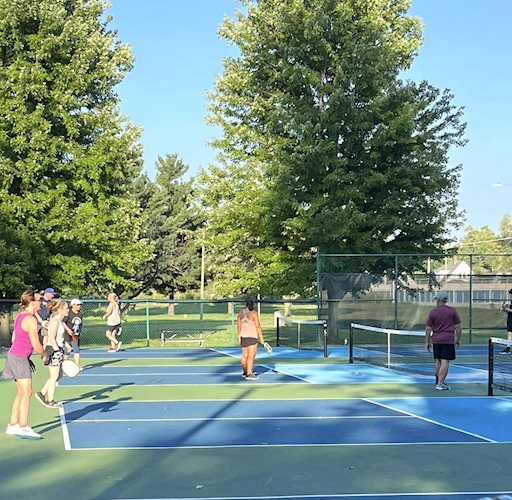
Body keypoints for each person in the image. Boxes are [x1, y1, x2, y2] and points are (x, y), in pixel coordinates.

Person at [3, 290, 48, 439]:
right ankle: (23, 427)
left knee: (21, 392)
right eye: (38, 300)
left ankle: (12, 425)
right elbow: (36, 344)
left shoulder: (20, 316)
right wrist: (44, 354)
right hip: (18, 357)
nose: (41, 302)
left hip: (16, 356)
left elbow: (17, 338)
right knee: (27, 392)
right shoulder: (30, 319)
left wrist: (27, 358)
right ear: (32, 302)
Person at [425, 290, 462, 391]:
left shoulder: (433, 312)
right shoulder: (452, 311)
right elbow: (457, 327)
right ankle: (440, 383)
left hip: (436, 340)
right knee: (445, 361)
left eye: (436, 299)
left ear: (438, 299)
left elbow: (428, 328)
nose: (435, 301)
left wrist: (427, 341)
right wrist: (459, 339)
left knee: (438, 360)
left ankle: (439, 381)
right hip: (448, 339)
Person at [35, 300, 69, 409]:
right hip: (53, 349)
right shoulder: (55, 321)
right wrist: (57, 351)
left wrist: (66, 345)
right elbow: (51, 337)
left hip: (58, 348)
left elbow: (60, 337)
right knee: (54, 376)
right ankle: (50, 400)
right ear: (61, 309)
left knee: (59, 375)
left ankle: (42, 393)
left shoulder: (60, 321)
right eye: (66, 308)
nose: (68, 310)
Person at [237, 297, 265, 380]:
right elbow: (258, 326)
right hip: (252, 336)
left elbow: (238, 326)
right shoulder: (254, 313)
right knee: (251, 356)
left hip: (243, 336)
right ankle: (249, 373)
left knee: (244, 356)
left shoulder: (241, 312)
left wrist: (239, 336)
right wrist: (262, 338)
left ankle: (245, 371)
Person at [63, 298, 83, 368]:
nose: (79, 306)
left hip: (75, 335)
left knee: (76, 349)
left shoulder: (80, 314)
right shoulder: (68, 313)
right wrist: (68, 330)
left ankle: (77, 365)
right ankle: (65, 366)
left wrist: (78, 332)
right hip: (67, 334)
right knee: (67, 350)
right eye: (78, 305)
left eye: (80, 305)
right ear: (73, 305)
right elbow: (63, 323)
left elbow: (80, 324)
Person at [500, 289, 512, 354]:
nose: (510, 296)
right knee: (509, 333)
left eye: (511, 294)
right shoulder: (511, 302)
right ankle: (508, 347)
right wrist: (505, 309)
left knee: (510, 333)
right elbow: (509, 311)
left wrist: (507, 309)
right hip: (510, 319)